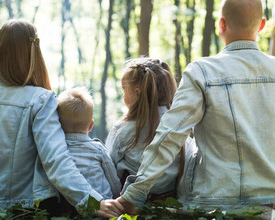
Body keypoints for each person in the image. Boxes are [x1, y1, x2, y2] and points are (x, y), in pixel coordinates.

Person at [115, 0, 275, 215]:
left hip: (212, 205)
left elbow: (171, 135)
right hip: (268, 204)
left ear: (221, 24)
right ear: (262, 25)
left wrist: (134, 193)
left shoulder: (203, 71)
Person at [0, 19, 123, 218]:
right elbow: (56, 161)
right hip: (25, 211)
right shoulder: (40, 99)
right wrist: (91, 201)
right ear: (34, 54)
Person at [105, 57, 194, 201]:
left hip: (129, 202)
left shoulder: (123, 129)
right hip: (169, 202)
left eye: (124, 91)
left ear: (137, 92)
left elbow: (109, 167)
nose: (123, 96)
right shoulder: (180, 127)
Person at [57, 87, 121, 199]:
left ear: (58, 125)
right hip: (103, 203)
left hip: (69, 206)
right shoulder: (98, 149)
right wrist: (117, 197)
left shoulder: (56, 150)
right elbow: (113, 179)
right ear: (91, 125)